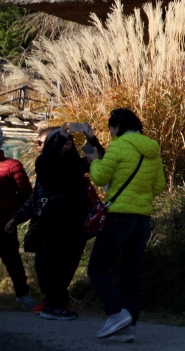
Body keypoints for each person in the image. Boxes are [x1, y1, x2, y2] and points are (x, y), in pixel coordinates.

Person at [74, 111, 163, 344]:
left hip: (119, 217)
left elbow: (101, 177)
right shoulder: (153, 149)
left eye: (111, 128)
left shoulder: (118, 146)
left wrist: (93, 159)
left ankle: (116, 312)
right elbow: (159, 186)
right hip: (142, 219)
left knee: (97, 268)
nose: (110, 133)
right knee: (129, 274)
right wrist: (139, 196)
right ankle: (129, 327)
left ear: (117, 127)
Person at [5, 128, 90, 320]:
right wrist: (17, 218)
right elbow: (34, 199)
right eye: (59, 140)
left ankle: (56, 301)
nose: (65, 142)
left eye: (42, 142)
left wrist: (89, 137)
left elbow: (98, 160)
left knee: (65, 264)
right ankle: (52, 302)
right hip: (52, 222)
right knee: (47, 264)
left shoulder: (74, 165)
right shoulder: (46, 164)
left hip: (74, 222)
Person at [0, 125, 35, 310]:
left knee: (12, 260)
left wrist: (15, 216)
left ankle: (23, 294)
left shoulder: (12, 165)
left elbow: (25, 193)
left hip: (5, 222)